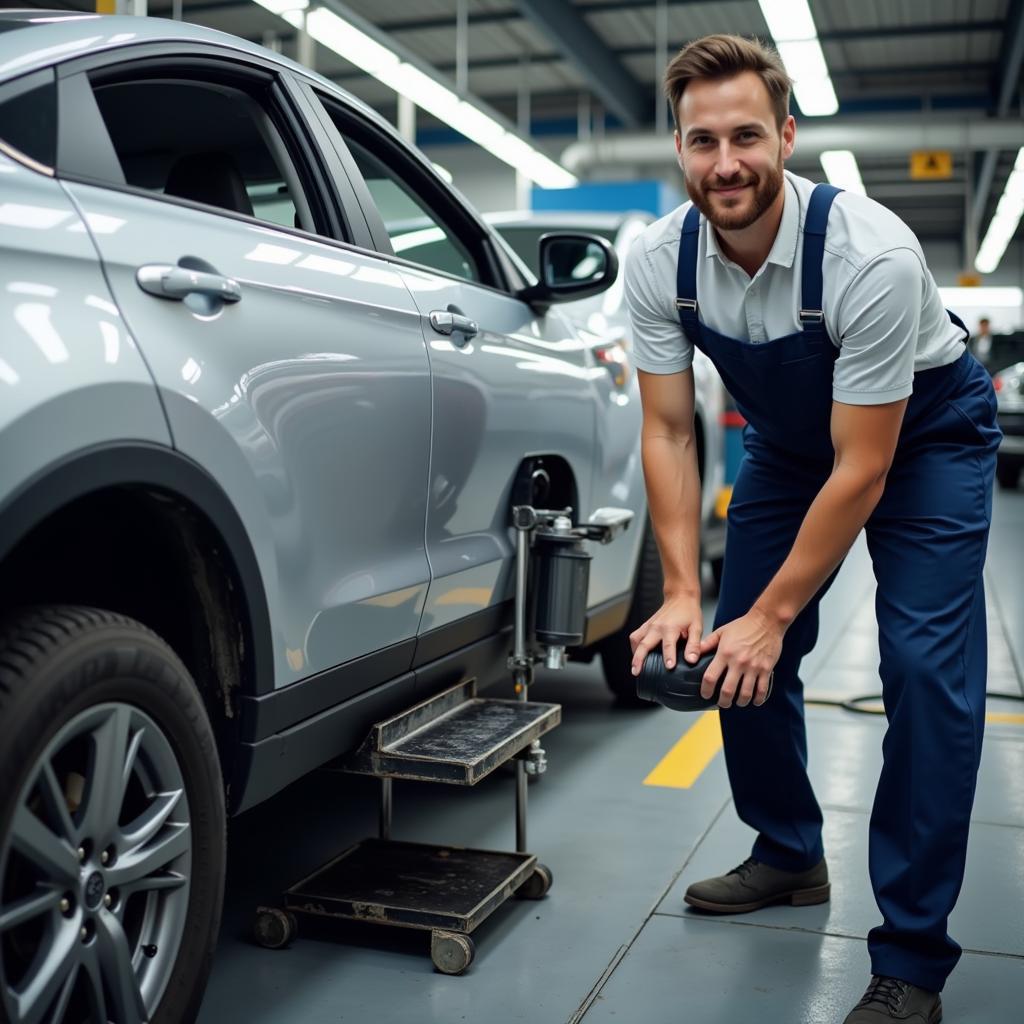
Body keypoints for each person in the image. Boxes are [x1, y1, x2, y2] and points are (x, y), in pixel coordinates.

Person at [624, 34, 1000, 1024]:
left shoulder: (866, 255)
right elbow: (666, 429)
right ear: (678, 148)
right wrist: (681, 591)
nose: (725, 163)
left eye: (746, 135)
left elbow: (866, 467)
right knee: (734, 642)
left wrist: (771, 613)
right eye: (701, 141)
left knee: (922, 668)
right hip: (794, 449)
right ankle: (788, 850)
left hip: (923, 437)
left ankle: (912, 955)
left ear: (784, 135)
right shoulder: (660, 261)